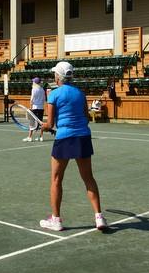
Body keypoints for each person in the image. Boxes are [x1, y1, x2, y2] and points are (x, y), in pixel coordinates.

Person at [40, 61, 107, 231]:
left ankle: (56, 220)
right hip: (83, 137)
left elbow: (50, 123)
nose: (54, 76)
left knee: (56, 179)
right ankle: (99, 217)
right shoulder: (80, 93)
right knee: (88, 178)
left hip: (64, 138)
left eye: (55, 74)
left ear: (58, 77)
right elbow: (85, 118)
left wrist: (45, 127)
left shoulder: (54, 94)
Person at [24, 77, 45, 142]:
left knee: (32, 122)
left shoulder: (34, 89)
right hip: (41, 108)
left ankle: (30, 137)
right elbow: (44, 99)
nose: (32, 82)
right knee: (41, 122)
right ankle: (41, 137)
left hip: (34, 108)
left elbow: (32, 99)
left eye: (33, 81)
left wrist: (30, 107)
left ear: (35, 83)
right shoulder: (42, 89)